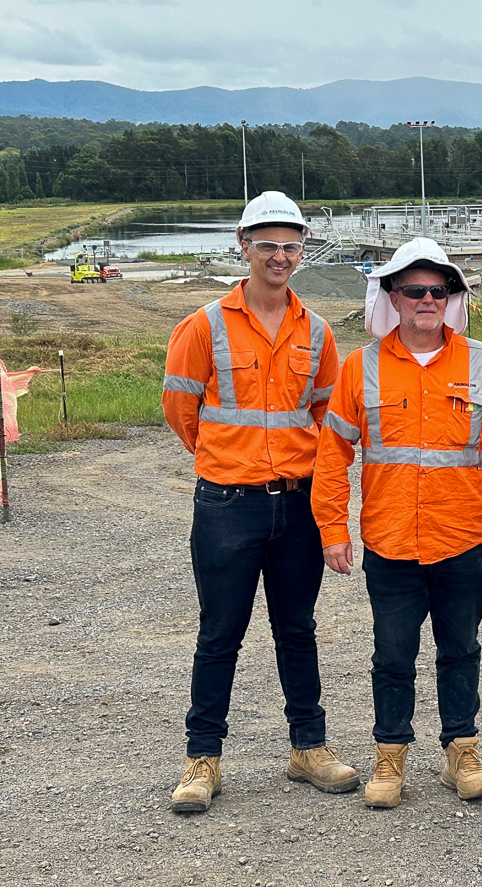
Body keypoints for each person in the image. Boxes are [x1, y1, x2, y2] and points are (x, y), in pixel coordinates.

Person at [311, 237, 482, 809]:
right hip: (391, 543)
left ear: (451, 297)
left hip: (464, 538)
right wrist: (333, 530)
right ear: (393, 296)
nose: (427, 300)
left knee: (460, 648)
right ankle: (391, 758)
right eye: (414, 290)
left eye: (439, 290)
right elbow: (332, 454)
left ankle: (462, 752)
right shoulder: (363, 367)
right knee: (392, 653)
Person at [161, 191, 358, 814]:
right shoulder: (204, 325)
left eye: (291, 244)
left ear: (303, 250)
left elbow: (328, 418)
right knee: (220, 633)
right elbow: (181, 411)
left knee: (296, 630)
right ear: (242, 246)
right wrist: (230, 462)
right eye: (267, 243)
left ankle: (309, 748)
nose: (280, 255)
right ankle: (203, 759)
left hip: (296, 506)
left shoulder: (317, 331)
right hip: (227, 505)